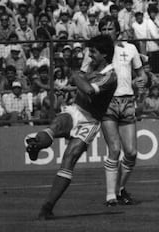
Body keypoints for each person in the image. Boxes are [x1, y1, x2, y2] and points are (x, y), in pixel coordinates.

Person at [26, 35, 117, 220]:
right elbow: (80, 84)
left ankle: (47, 207)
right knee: (56, 125)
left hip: (90, 121)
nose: (90, 55)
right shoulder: (92, 65)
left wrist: (75, 76)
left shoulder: (110, 76)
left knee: (70, 157)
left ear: (105, 54)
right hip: (75, 109)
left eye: (93, 52)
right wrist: (74, 81)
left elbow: (89, 89)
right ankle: (36, 145)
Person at [81, 16, 147, 206]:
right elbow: (83, 76)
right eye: (103, 28)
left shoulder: (130, 49)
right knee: (115, 149)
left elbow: (141, 74)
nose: (107, 31)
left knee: (132, 152)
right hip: (107, 102)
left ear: (117, 31)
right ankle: (111, 196)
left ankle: (119, 189)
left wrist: (142, 80)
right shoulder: (93, 52)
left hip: (127, 101)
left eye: (110, 28)